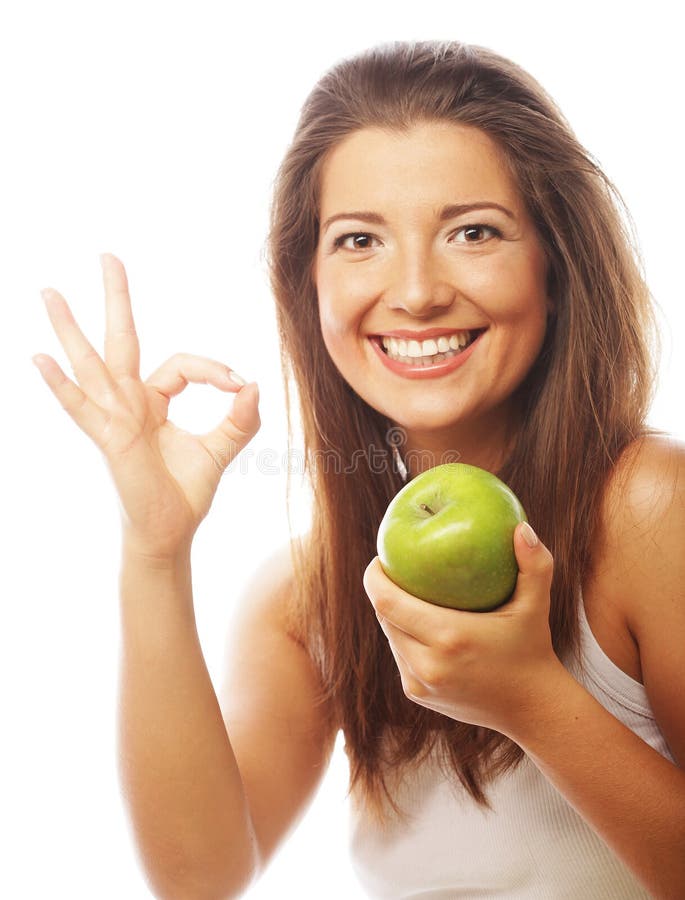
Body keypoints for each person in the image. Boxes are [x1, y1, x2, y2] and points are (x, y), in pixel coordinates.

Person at [32, 40, 684, 899]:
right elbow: (198, 880)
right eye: (358, 240)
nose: (414, 291)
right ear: (307, 286)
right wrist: (155, 550)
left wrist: (532, 698)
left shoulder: (648, 510)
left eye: (472, 231)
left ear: (553, 266)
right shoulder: (306, 597)